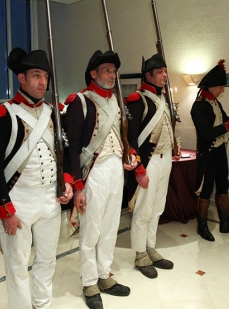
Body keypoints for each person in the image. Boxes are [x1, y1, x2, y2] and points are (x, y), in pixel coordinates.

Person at [0, 48, 74, 308]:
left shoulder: (54, 112)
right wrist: (4, 207)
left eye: (45, 76)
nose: (42, 82)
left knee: (47, 260)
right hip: (18, 201)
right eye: (36, 75)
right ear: (21, 78)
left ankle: (42, 304)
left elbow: (62, 152)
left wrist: (66, 180)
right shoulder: (3, 115)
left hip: (50, 200)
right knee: (17, 265)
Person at [63, 50, 138, 309]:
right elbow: (72, 148)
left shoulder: (117, 101)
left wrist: (130, 155)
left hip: (115, 169)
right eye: (107, 70)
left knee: (110, 226)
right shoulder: (80, 102)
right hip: (92, 173)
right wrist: (78, 186)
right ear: (93, 73)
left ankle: (104, 274)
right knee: (91, 230)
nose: (111, 74)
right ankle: (89, 281)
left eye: (113, 70)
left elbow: (124, 134)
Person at [126, 54, 180, 279]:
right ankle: (140, 254)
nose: (164, 76)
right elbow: (132, 137)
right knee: (143, 210)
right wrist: (138, 168)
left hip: (165, 158)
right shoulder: (137, 100)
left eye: (165, 72)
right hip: (149, 162)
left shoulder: (164, 99)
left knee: (157, 207)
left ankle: (150, 247)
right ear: (148, 75)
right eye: (160, 72)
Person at [190, 59, 229, 242]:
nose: (223, 90)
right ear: (211, 87)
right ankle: (202, 226)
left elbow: (224, 122)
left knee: (223, 185)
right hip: (208, 152)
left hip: (220, 150)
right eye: (220, 87)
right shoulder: (198, 106)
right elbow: (208, 133)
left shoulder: (215, 103)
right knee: (206, 189)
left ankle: (226, 223)